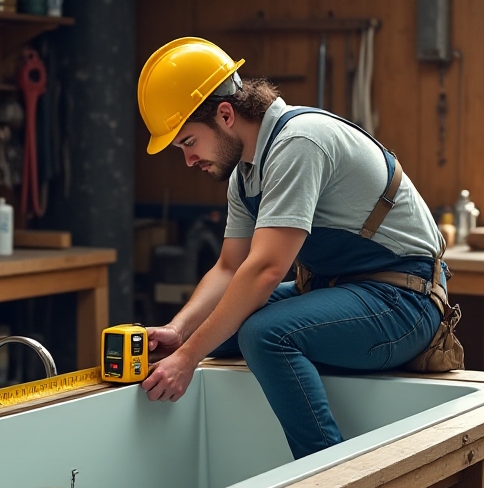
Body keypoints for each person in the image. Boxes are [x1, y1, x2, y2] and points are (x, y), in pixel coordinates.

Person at [136, 37, 450, 460]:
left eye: (189, 142)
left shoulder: (299, 143)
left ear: (225, 115)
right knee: (208, 332)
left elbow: (265, 270)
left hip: (403, 301)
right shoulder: (244, 174)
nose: (188, 160)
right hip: (339, 290)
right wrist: (179, 334)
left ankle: (326, 478)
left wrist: (189, 359)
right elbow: (230, 268)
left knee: (264, 334)